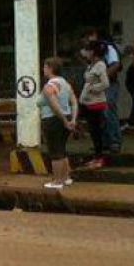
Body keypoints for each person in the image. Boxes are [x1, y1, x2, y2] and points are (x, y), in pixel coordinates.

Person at [38, 57, 78, 189]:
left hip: (52, 120)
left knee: (55, 152)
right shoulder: (66, 84)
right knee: (62, 149)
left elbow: (54, 104)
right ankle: (66, 178)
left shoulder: (50, 86)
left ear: (50, 68)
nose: (43, 69)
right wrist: (72, 119)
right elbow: (74, 102)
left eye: (45, 66)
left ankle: (57, 181)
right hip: (65, 117)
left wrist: (64, 121)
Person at [84, 30, 122, 154]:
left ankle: (114, 141)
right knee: (100, 113)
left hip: (109, 84)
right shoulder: (94, 51)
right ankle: (104, 142)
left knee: (108, 109)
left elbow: (115, 65)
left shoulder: (108, 48)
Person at [80, 41, 111, 169]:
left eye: (87, 50)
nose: (85, 53)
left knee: (96, 131)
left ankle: (100, 158)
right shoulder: (91, 65)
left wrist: (93, 89)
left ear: (92, 52)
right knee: (93, 131)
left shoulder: (100, 65)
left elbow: (105, 83)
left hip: (95, 103)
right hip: (88, 102)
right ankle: (96, 157)